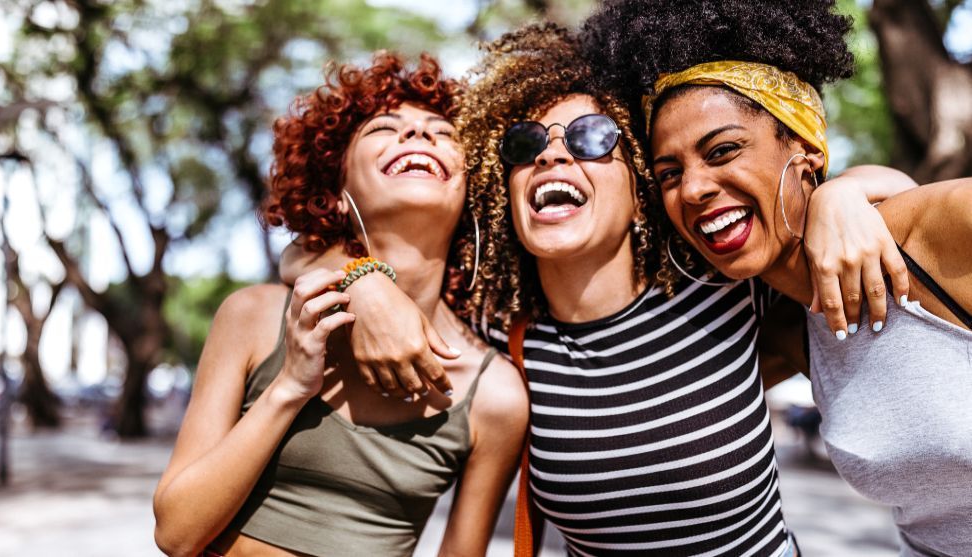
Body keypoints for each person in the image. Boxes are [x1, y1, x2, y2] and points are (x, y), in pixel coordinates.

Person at [281, 24, 915, 556]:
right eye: (526, 144)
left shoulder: (723, 286)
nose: (554, 158)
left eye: (590, 139)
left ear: (640, 190)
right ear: (503, 193)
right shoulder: (497, 334)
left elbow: (901, 196)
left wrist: (840, 193)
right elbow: (301, 253)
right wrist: (367, 285)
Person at [594, 1, 972, 554]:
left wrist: (848, 187)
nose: (693, 188)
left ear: (805, 149)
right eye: (669, 173)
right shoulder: (784, 331)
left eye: (723, 150)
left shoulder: (939, 230)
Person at [152, 52, 528, 557]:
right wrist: (289, 387)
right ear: (337, 182)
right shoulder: (255, 316)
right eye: (385, 128)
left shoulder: (496, 395)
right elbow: (175, 534)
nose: (418, 135)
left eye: (441, 132)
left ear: (474, 189)